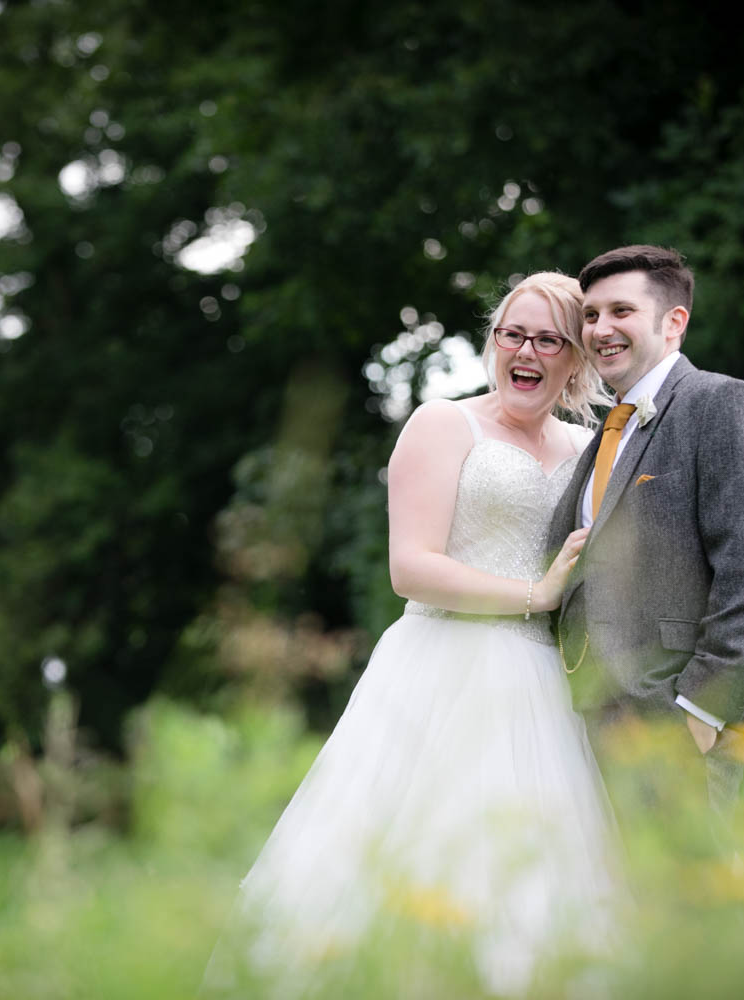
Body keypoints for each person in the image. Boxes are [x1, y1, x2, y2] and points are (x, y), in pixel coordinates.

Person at [204, 273, 623, 997]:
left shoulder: (592, 448)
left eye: (548, 339)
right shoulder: (443, 423)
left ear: (576, 358)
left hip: (543, 688)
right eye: (511, 333)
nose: (525, 350)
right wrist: (537, 593)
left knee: (532, 877)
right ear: (494, 341)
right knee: (408, 855)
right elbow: (411, 568)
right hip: (440, 666)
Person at [546, 245, 744, 820]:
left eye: (621, 311)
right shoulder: (606, 434)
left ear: (673, 323)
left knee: (691, 894)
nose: (600, 329)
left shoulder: (720, 402)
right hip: (599, 714)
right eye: (591, 315)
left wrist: (699, 712)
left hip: (679, 717)